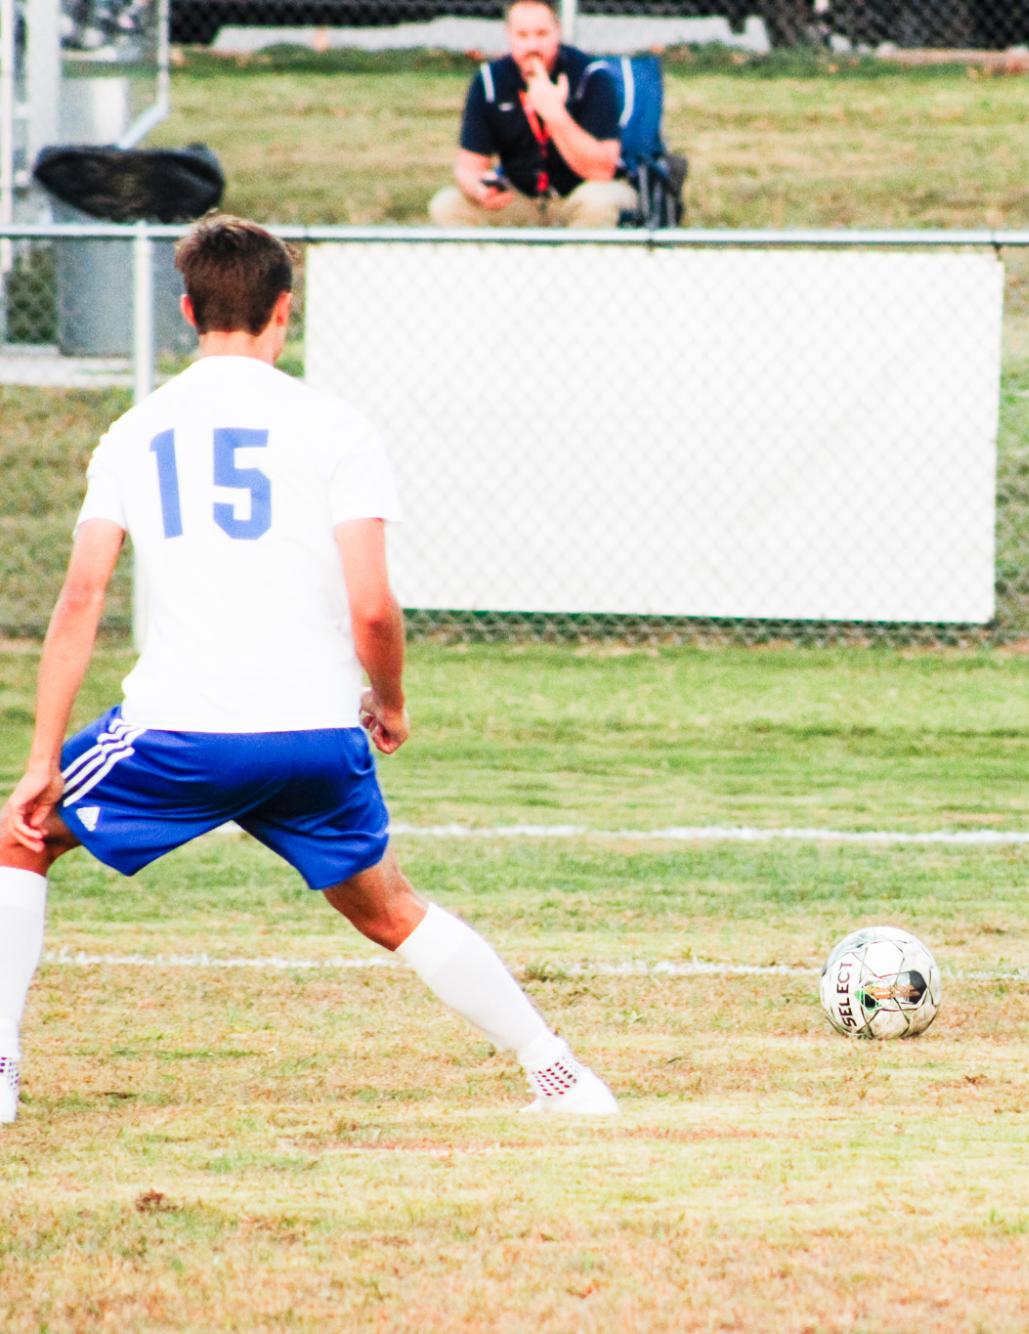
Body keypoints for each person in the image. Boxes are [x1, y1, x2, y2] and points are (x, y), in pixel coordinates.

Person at [0, 215, 617, 1124]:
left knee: (20, 835)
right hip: (315, 737)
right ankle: (559, 1071)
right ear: (284, 311)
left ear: (186, 310)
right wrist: (391, 704)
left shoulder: (137, 431)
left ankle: (2, 1071)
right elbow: (373, 605)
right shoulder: (336, 427)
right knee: (390, 907)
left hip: (182, 733)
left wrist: (40, 756)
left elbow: (82, 597)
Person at [427, 0, 637, 229]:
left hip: (580, 194)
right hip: (523, 197)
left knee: (598, 202)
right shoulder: (489, 81)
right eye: (523, 35)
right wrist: (477, 189)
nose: (532, 46)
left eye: (542, 34)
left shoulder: (591, 77)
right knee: (447, 204)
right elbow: (469, 167)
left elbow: (602, 170)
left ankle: (576, 261)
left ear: (558, 31)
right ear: (509, 36)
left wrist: (554, 113)